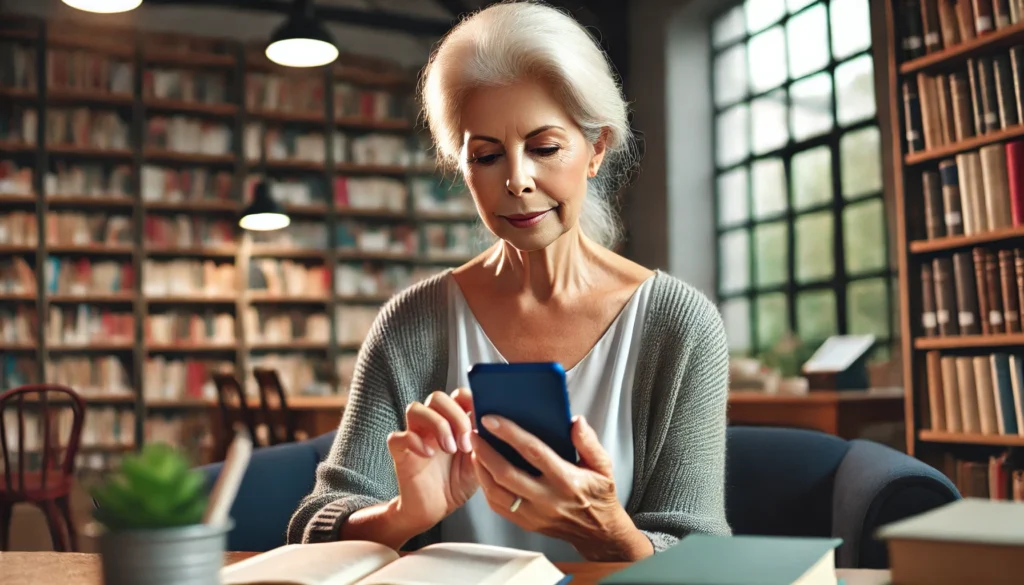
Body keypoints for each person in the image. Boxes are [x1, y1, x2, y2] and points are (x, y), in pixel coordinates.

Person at [287, 0, 731, 562]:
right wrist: (404, 515)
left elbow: (706, 562)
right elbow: (311, 528)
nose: (517, 181)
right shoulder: (411, 324)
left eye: (545, 148)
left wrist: (607, 531)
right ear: (462, 167)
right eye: (487, 155)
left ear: (595, 150)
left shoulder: (680, 325)